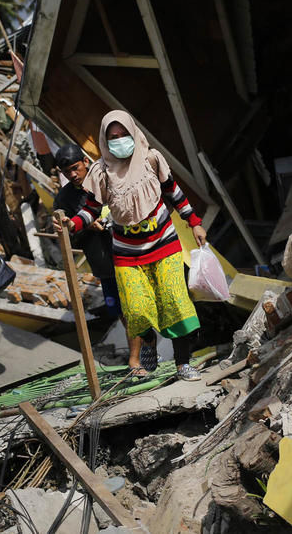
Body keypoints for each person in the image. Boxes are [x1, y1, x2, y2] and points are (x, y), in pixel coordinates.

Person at [53, 110, 206, 381]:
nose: (120, 140)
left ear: (133, 133)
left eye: (124, 135)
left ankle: (183, 364)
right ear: (104, 140)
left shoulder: (151, 159)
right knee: (135, 309)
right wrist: (72, 224)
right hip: (127, 252)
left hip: (164, 242)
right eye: (113, 137)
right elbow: (91, 208)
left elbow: (174, 191)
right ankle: (148, 342)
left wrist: (193, 222)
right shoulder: (101, 173)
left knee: (175, 303)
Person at [52, 143, 122, 321]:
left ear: (85, 161)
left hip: (128, 256)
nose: (73, 175)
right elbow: (66, 237)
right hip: (104, 266)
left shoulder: (108, 179)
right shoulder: (63, 199)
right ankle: (141, 349)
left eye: (75, 168)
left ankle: (146, 348)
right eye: (67, 172)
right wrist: (84, 228)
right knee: (122, 314)